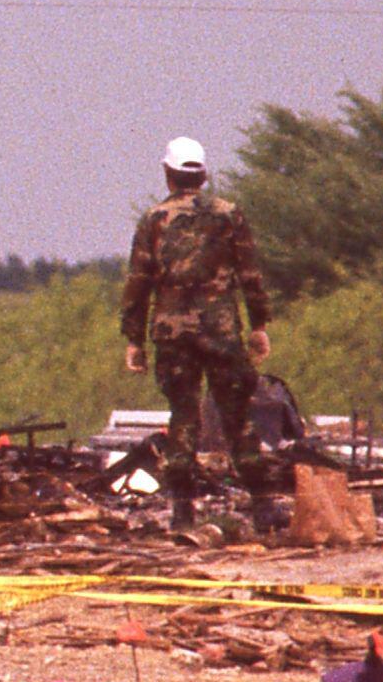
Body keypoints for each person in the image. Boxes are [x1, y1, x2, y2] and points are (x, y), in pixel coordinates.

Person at [119, 136, 278, 535]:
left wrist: (134, 339)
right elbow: (250, 276)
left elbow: (138, 282)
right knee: (238, 418)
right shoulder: (229, 215)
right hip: (221, 331)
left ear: (168, 174)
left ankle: (182, 513)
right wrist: (259, 325)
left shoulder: (154, 219)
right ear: (204, 175)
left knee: (183, 419)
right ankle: (262, 509)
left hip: (172, 334)